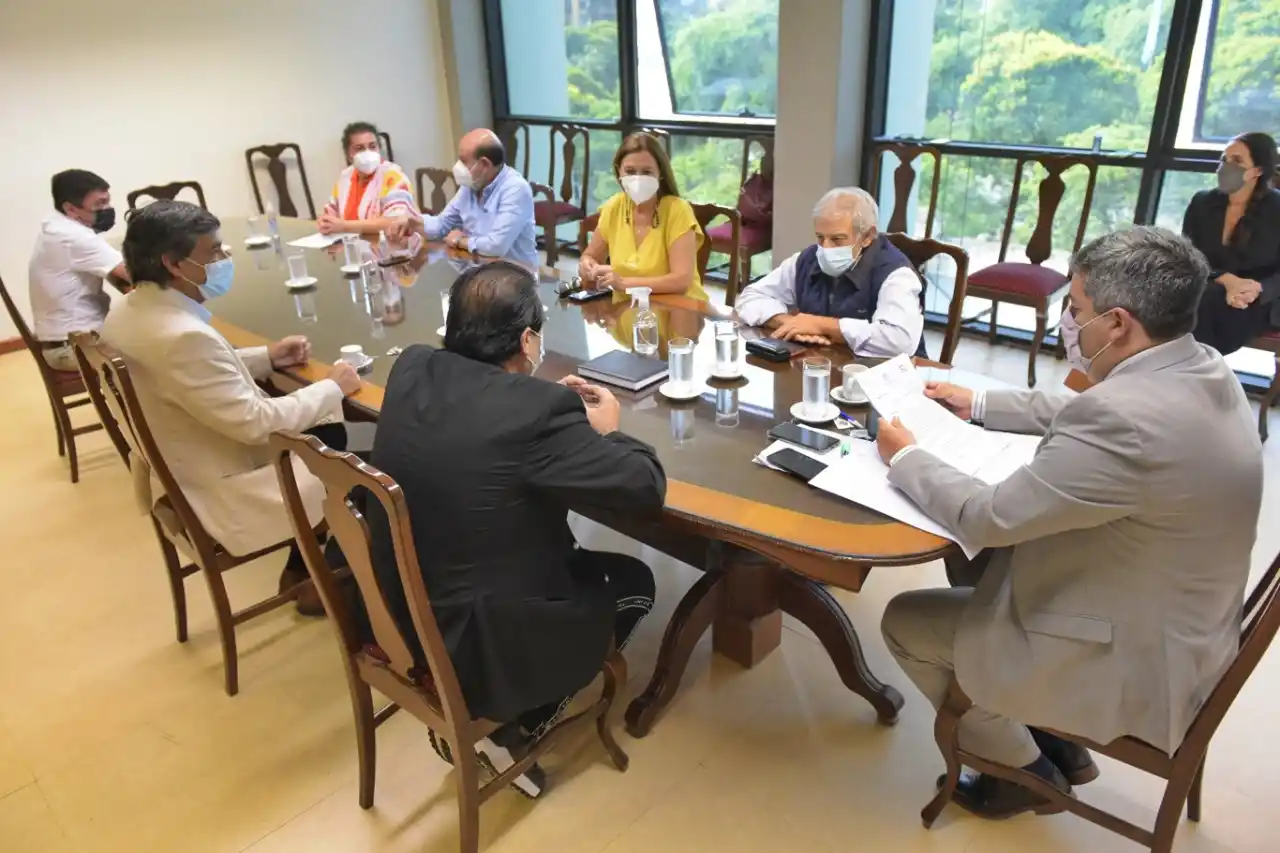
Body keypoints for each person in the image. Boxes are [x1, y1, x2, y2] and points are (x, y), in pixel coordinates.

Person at [875, 226, 1261, 820]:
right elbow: (1092, 409)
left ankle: (1020, 773)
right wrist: (979, 403)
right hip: (1182, 627)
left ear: (1118, 323)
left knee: (908, 620)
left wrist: (905, 456)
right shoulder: (1198, 363)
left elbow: (988, 516)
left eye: (1077, 309)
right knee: (976, 565)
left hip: (1132, 659)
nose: (1068, 322)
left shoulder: (1124, 420)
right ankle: (1052, 739)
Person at [364, 261, 666, 797]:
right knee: (636, 583)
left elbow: (484, 421)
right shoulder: (536, 411)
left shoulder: (411, 365)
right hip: (476, 635)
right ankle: (515, 724)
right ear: (528, 340)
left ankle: (504, 709)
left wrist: (537, 401)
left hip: (398, 601)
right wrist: (609, 431)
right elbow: (644, 488)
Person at [102, 201, 364, 614]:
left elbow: (189, 375)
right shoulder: (183, 336)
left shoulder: (130, 310)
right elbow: (256, 424)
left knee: (326, 427)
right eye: (214, 251)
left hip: (179, 462)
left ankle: (305, 565)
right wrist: (333, 386)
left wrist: (267, 357)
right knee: (366, 465)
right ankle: (328, 577)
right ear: (174, 264)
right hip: (220, 482)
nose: (225, 257)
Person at [735, 187, 924, 356]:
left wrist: (822, 326)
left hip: (885, 376)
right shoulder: (807, 259)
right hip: (821, 364)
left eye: (837, 239)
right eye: (820, 237)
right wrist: (790, 323)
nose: (826, 248)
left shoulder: (897, 274)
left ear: (868, 236)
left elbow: (899, 341)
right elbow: (750, 297)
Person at [1182, 131, 1280, 355]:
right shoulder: (1202, 202)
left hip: (1260, 298)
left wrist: (1258, 289)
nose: (1226, 167)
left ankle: (1192, 364)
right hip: (1208, 285)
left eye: (1237, 161)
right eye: (1224, 159)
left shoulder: (1276, 209)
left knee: (1209, 302)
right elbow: (1187, 256)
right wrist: (1224, 278)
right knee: (1199, 296)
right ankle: (1192, 364)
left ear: (1257, 171)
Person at [578, 132, 707, 299]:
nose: (638, 179)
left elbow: (681, 281)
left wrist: (623, 283)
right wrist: (587, 265)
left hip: (678, 307)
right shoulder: (614, 207)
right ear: (618, 172)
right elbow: (590, 256)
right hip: (627, 308)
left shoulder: (678, 210)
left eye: (647, 172)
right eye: (630, 171)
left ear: (660, 173)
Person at [28, 169, 133, 371]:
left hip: (66, 338)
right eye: (99, 204)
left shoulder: (55, 224)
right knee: (157, 351)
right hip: (73, 349)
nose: (107, 209)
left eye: (108, 201)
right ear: (70, 208)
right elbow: (133, 273)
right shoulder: (73, 237)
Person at [405, 128, 538, 271]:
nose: (457, 166)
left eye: (463, 161)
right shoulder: (471, 186)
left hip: (514, 275)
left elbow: (495, 247)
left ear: (485, 165)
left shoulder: (515, 189)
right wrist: (413, 222)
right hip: (477, 270)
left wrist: (459, 241)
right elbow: (441, 225)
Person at [319, 122, 420, 239]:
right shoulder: (345, 178)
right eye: (359, 148)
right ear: (349, 154)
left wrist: (345, 226)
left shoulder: (393, 176)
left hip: (390, 245)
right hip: (352, 244)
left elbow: (395, 221)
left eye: (372, 147)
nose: (367, 152)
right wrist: (326, 222)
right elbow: (331, 212)